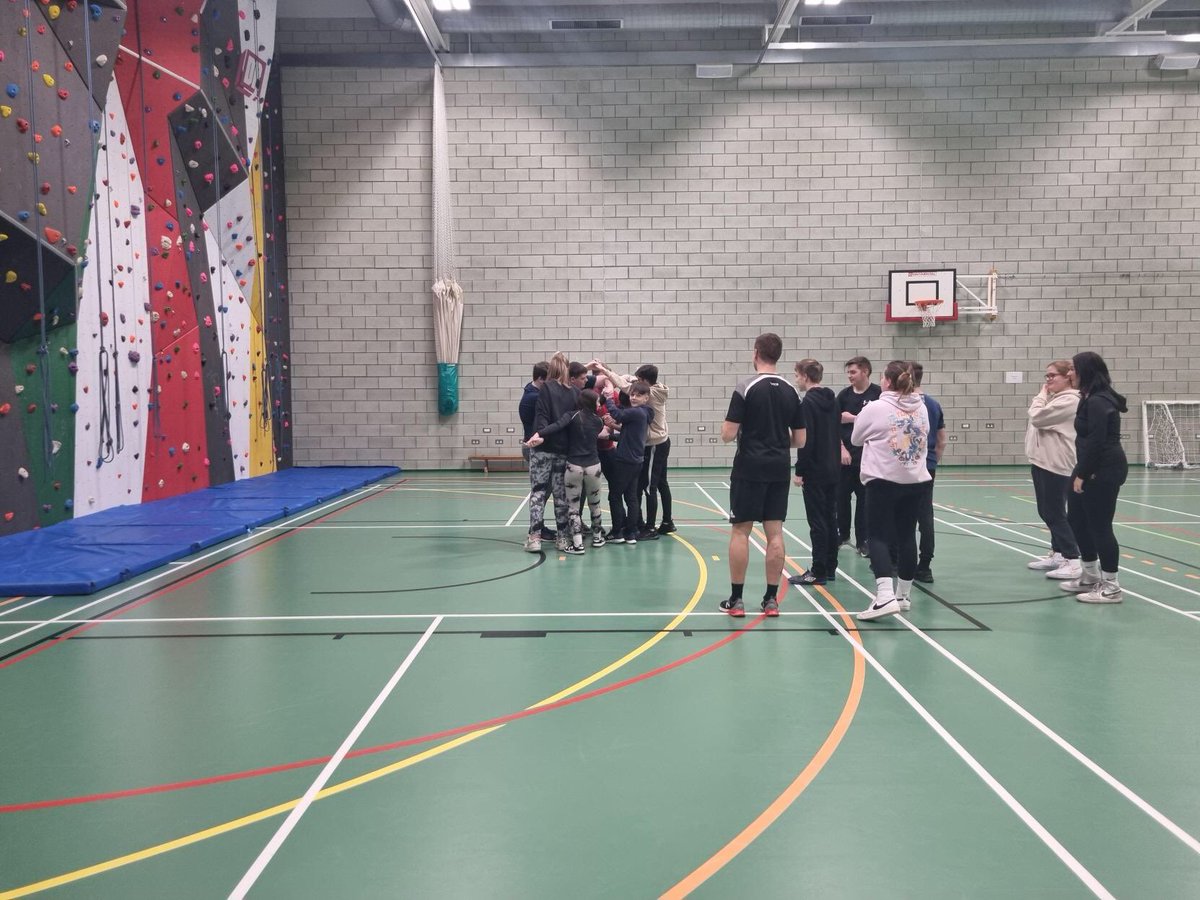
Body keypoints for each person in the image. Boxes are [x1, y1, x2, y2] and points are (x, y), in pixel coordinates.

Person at [719, 333, 805, 618]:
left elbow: (727, 435)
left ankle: (737, 599)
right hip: (779, 467)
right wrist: (779, 443)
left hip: (749, 467)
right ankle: (770, 600)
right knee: (775, 532)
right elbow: (800, 440)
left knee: (741, 530)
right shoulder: (792, 391)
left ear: (755, 353)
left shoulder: (746, 387)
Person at [851, 360, 930, 621]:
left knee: (878, 536)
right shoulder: (922, 407)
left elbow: (856, 438)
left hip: (884, 479)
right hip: (915, 480)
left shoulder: (876, 407)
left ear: (886, 381)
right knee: (907, 535)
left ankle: (884, 596)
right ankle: (903, 595)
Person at [1060, 352, 1129, 604]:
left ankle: (1111, 586)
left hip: (1104, 469)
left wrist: (1083, 474)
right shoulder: (1087, 398)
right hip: (1089, 465)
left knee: (1100, 526)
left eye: (1073, 369)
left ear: (1085, 372)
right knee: (1076, 519)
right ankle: (1089, 575)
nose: (1069, 374)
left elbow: (1098, 442)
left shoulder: (1099, 401)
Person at [589, 360, 674, 539]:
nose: (634, 390)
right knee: (648, 487)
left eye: (638, 380)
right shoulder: (648, 401)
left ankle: (649, 528)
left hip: (654, 445)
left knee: (649, 487)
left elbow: (624, 392)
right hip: (652, 443)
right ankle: (658, 523)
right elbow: (631, 427)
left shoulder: (651, 395)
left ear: (645, 386)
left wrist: (609, 388)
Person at [525, 389, 608, 554]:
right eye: (598, 401)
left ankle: (577, 544)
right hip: (594, 466)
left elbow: (556, 426)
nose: (600, 404)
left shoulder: (571, 416)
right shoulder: (599, 421)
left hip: (574, 466)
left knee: (573, 507)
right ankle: (598, 537)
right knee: (595, 503)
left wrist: (539, 433)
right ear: (591, 402)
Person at [1025, 360, 1083, 580]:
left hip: (1056, 463)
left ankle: (1073, 559)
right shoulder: (1055, 399)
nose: (1048, 380)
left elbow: (1037, 417)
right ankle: (1058, 554)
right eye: (1046, 376)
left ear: (1068, 376)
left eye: (1052, 376)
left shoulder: (1069, 400)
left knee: (1054, 512)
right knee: (1046, 510)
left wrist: (1040, 397)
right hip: (1042, 460)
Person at [788, 359, 841, 586]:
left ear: (806, 376)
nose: (796, 380)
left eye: (797, 375)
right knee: (830, 518)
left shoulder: (807, 402)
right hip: (833, 467)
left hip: (817, 470)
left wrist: (800, 471)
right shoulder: (833, 399)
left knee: (818, 522)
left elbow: (805, 441)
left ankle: (818, 570)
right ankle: (830, 566)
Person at [525, 352, 576, 553]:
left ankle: (535, 538)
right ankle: (563, 538)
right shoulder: (574, 393)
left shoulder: (546, 388)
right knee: (560, 495)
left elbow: (542, 416)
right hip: (563, 451)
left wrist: (541, 434)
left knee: (538, 493)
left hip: (543, 449)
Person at [837, 356, 881, 557]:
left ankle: (864, 541)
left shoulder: (878, 394)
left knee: (865, 502)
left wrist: (854, 418)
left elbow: (880, 421)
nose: (850, 376)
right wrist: (842, 449)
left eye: (853, 372)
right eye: (848, 372)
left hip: (869, 460)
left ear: (865, 372)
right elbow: (834, 423)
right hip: (846, 459)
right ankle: (842, 534)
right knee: (841, 499)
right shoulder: (844, 396)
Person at [603, 381, 655, 545]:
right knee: (631, 497)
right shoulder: (644, 413)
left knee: (615, 495)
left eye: (638, 395)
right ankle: (631, 532)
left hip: (625, 460)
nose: (634, 397)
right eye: (632, 394)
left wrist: (609, 397)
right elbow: (628, 435)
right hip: (635, 460)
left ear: (646, 397)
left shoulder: (637, 412)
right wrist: (611, 436)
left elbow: (618, 415)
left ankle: (618, 532)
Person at [911, 362, 947, 583]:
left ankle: (899, 561)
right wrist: (932, 461)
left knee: (902, 517)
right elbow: (941, 440)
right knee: (925, 516)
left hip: (906, 468)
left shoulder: (904, 404)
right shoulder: (934, 404)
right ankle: (925, 565)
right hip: (928, 467)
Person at [519, 361, 556, 542]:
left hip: (537, 445)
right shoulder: (534, 397)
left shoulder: (531, 390)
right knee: (541, 491)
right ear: (541, 379)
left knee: (543, 491)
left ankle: (538, 526)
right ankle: (535, 530)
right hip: (536, 447)